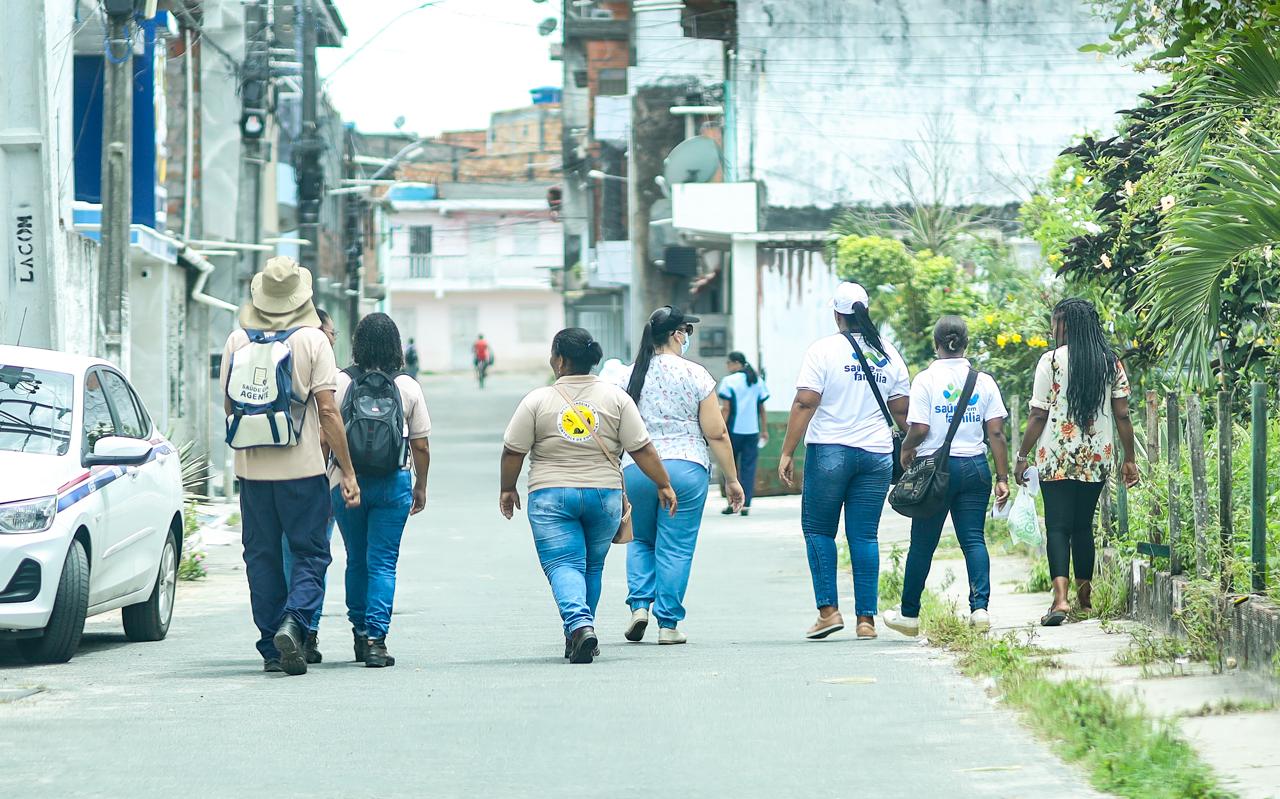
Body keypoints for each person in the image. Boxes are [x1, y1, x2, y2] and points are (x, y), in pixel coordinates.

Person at [500, 328, 677, 664]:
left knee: (563, 564)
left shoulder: (537, 401)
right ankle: (579, 633)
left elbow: (513, 451)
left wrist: (508, 487)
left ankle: (580, 625)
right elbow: (641, 448)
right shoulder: (616, 399)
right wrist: (663, 483)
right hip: (604, 496)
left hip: (551, 495)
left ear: (560, 360)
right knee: (591, 566)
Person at [220, 257, 361, 676]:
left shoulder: (236, 340)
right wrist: (348, 472)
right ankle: (294, 623)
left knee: (260, 556)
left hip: (252, 472)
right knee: (310, 553)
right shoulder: (314, 341)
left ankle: (270, 646)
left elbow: (228, 406)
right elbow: (328, 412)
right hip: (302, 471)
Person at [778, 282, 909, 641]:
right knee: (864, 535)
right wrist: (914, 451)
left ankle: (828, 612)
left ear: (837, 314)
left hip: (830, 452)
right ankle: (865, 621)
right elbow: (902, 412)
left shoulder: (823, 350)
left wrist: (787, 451)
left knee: (819, 531)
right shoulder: (888, 353)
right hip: (876, 454)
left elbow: (805, 402)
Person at [619, 307, 745, 645]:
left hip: (637, 468)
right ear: (677, 334)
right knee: (675, 547)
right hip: (686, 468)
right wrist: (732, 479)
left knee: (641, 540)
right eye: (687, 331)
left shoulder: (628, 375)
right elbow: (716, 432)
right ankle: (668, 624)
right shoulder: (696, 374)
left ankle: (639, 606)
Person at [883, 317, 1010, 638]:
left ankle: (909, 615)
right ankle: (979, 610)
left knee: (922, 544)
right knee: (973, 540)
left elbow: (920, 428)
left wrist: (906, 449)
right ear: (966, 343)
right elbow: (996, 433)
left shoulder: (925, 380)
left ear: (935, 344)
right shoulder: (984, 381)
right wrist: (1002, 477)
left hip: (934, 472)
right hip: (975, 468)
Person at [1015, 298, 1139, 626]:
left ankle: (1060, 600)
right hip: (1096, 457)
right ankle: (1085, 600)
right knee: (1083, 525)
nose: (1051, 328)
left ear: (1065, 325)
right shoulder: (1110, 362)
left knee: (1057, 525)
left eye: (1054, 322)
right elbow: (1122, 414)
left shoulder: (1052, 361)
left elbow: (1038, 414)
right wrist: (1130, 458)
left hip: (1055, 456)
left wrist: (1022, 455)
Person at [329, 313, 431, 668]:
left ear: (357, 343)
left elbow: (326, 433)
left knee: (356, 558)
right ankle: (376, 640)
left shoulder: (340, 382)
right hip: (393, 481)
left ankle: (359, 632)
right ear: (396, 346)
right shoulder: (408, 386)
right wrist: (420, 484)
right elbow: (421, 445)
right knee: (383, 562)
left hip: (345, 481)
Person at [280, 308, 338, 663]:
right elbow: (327, 424)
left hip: (268, 473)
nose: (333, 339)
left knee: (283, 555)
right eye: (331, 333)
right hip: (312, 476)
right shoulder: (325, 368)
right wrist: (346, 472)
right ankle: (306, 629)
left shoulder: (272, 354)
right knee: (314, 556)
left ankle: (282, 629)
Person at [718, 351, 770, 516]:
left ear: (735, 363)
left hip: (733, 432)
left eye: (728, 363)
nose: (727, 366)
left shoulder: (729, 381)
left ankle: (732, 503)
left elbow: (726, 409)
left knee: (730, 469)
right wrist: (764, 429)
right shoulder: (757, 380)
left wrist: (719, 429)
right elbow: (761, 408)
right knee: (749, 469)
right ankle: (745, 505)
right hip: (752, 432)